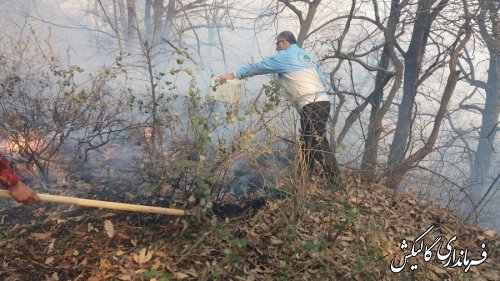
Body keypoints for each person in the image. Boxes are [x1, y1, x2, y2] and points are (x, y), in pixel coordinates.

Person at [217, 31, 343, 188]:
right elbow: (322, 80)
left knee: (317, 143)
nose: (276, 48)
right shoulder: (307, 56)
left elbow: (258, 67)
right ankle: (304, 179)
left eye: (277, 44)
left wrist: (232, 75)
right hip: (321, 102)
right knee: (306, 142)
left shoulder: (284, 56)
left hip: (311, 104)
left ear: (284, 42)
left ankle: (336, 182)